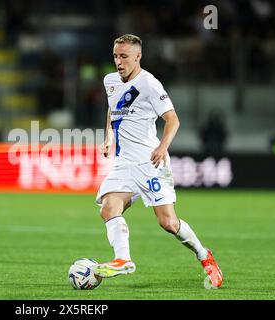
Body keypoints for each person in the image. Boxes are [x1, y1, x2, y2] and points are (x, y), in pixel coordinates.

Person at [92, 34, 223, 288]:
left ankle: (204, 255)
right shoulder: (110, 81)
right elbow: (112, 107)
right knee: (108, 208)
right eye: (115, 56)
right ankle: (122, 259)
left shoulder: (149, 84)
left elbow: (173, 120)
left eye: (124, 57)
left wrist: (163, 146)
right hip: (125, 163)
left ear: (138, 56)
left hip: (151, 162)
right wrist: (108, 137)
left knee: (168, 223)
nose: (118, 62)